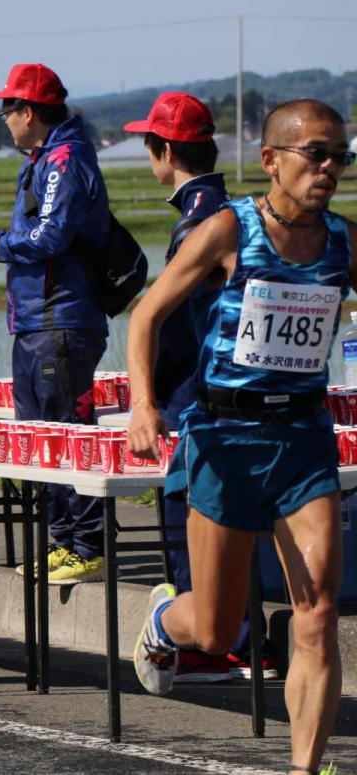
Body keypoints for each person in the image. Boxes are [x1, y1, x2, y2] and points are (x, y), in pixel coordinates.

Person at [127, 99, 355, 775]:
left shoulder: (344, 240)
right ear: (271, 160)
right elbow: (146, 316)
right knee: (218, 630)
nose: (329, 168)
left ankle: (302, 768)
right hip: (225, 440)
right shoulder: (231, 230)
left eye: (340, 155)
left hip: (305, 441)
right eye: (315, 152)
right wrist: (143, 405)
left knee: (316, 612)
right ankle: (165, 620)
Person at [0, 63, 110, 584]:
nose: (5, 120)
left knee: (65, 432)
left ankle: (87, 545)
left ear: (28, 112)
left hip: (61, 318)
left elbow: (49, 239)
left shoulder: (64, 159)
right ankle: (64, 542)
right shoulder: (42, 159)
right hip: (35, 319)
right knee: (41, 435)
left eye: (8, 109)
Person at [124, 92, 279, 685]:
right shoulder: (240, 211)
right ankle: (233, 640)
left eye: (150, 147)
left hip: (203, 400)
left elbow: (166, 322)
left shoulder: (203, 221)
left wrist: (153, 400)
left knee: (190, 521)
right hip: (237, 398)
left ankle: (204, 641)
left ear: (163, 149)